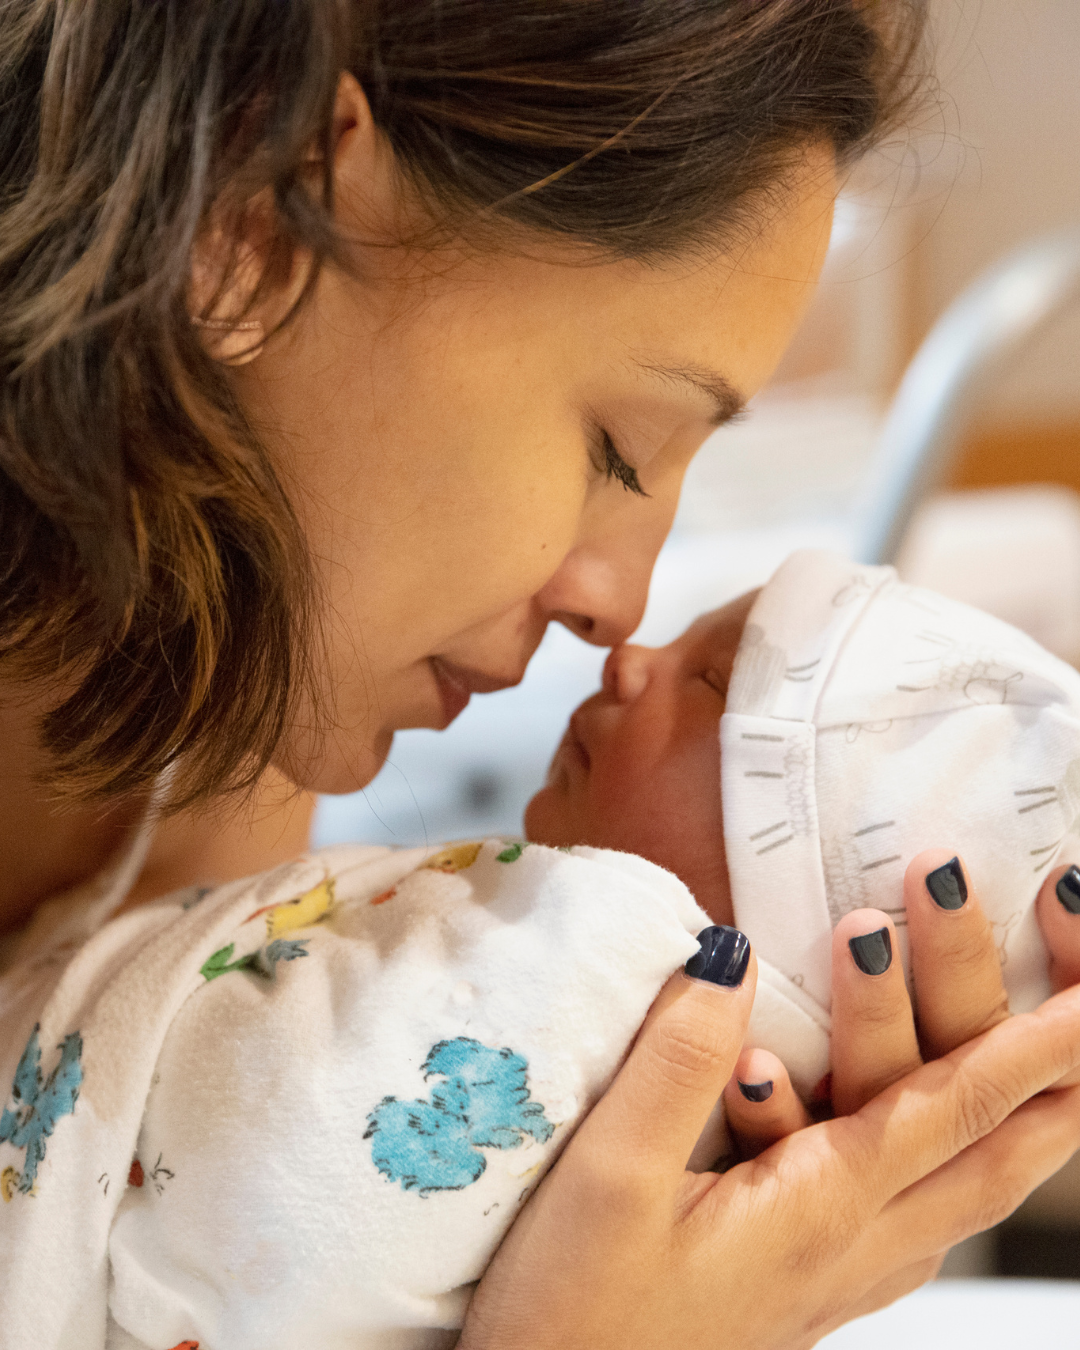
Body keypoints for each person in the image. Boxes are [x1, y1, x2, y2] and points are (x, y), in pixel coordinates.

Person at [3, 3, 1080, 1348]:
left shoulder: (225, 728)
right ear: (256, 218)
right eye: (620, 449)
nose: (617, 607)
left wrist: (629, 1187)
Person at [79, 551, 1080, 1349]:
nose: (630, 652)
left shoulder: (604, 975)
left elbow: (291, 1229)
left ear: (785, 927)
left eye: (715, 679)